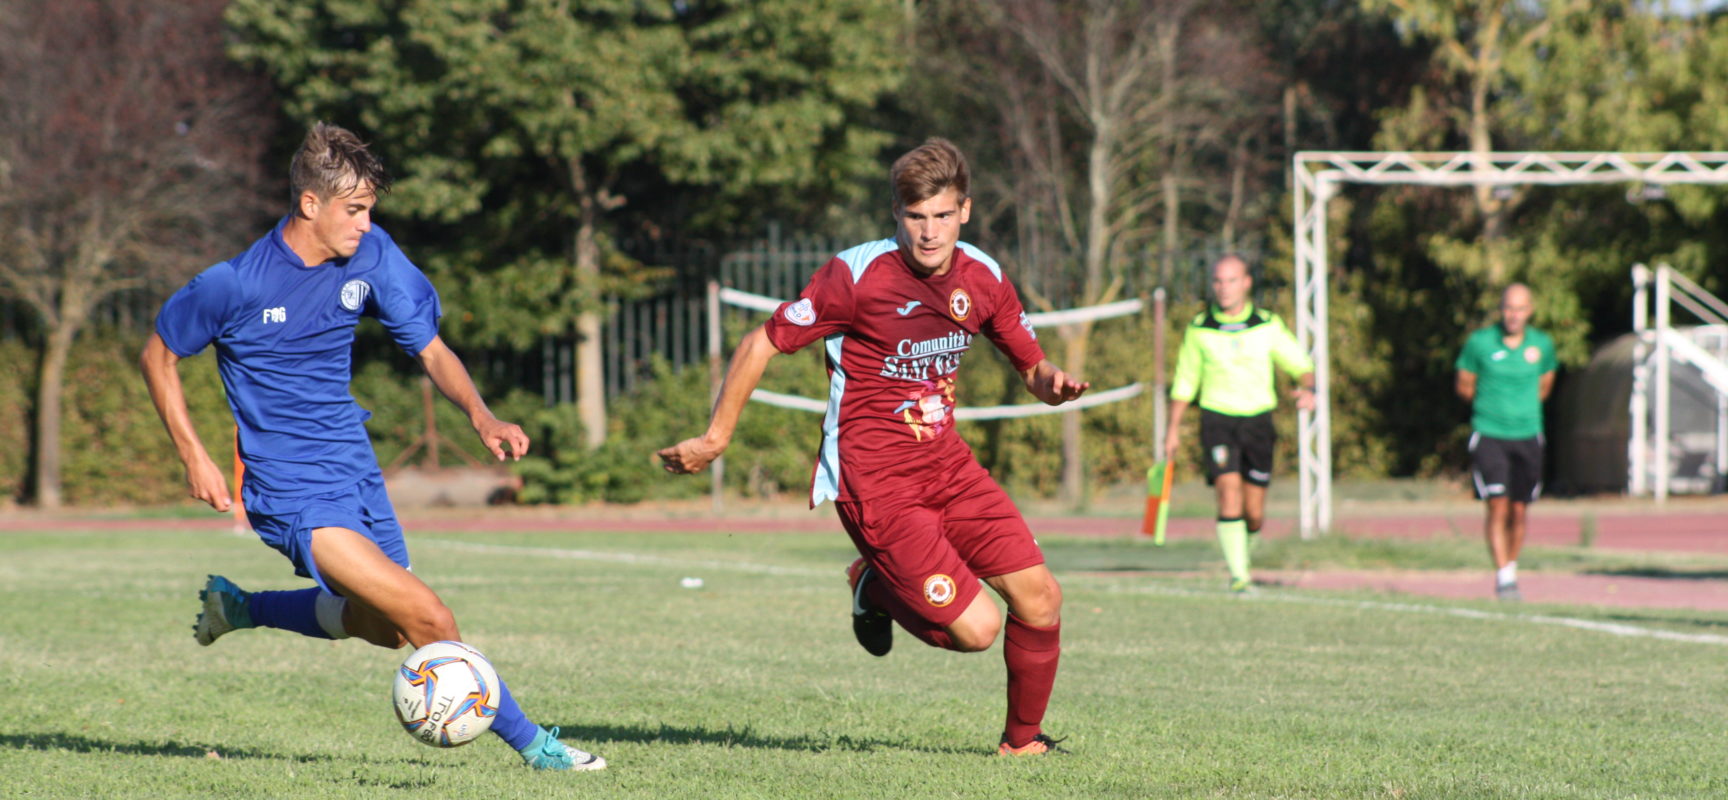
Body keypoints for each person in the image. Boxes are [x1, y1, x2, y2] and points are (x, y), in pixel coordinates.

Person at [140, 122, 604, 771]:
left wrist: (482, 416)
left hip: (355, 469)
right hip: (290, 488)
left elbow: (431, 348)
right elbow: (158, 355)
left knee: (389, 628)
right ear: (310, 205)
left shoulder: (372, 253)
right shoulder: (234, 283)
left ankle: (241, 607)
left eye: (368, 210)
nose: (363, 223)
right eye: (353, 210)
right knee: (430, 618)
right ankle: (537, 747)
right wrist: (194, 453)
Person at [657, 138, 1088, 756]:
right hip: (876, 483)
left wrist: (1056, 385)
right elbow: (761, 343)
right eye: (916, 217)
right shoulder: (856, 276)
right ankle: (874, 585)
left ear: (965, 211)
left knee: (1042, 598)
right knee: (977, 631)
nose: (930, 232)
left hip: (950, 467)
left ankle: (1022, 745)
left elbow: (1033, 367)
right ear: (896, 213)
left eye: (942, 216)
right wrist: (715, 438)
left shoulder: (984, 276)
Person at [1164, 255, 1315, 593]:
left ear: (1246, 283)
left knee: (1254, 512)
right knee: (1227, 493)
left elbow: (1300, 364)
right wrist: (1172, 429)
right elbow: (1184, 382)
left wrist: (1308, 388)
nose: (1224, 288)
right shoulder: (1199, 328)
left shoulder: (1267, 324)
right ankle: (1239, 576)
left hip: (1258, 421)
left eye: (1231, 280)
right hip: (1217, 420)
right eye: (1218, 281)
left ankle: (1243, 557)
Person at [1454, 283, 1557, 601]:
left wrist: (1520, 412)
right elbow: (1464, 385)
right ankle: (1504, 577)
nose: (1514, 315)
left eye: (1520, 308)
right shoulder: (1480, 342)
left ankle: (1511, 566)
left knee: (1519, 509)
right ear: (1501, 310)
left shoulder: (1541, 344)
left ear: (1530, 311)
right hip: (1490, 434)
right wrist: (1493, 410)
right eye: (1509, 308)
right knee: (1497, 504)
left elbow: (1545, 385)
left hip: (1527, 434)